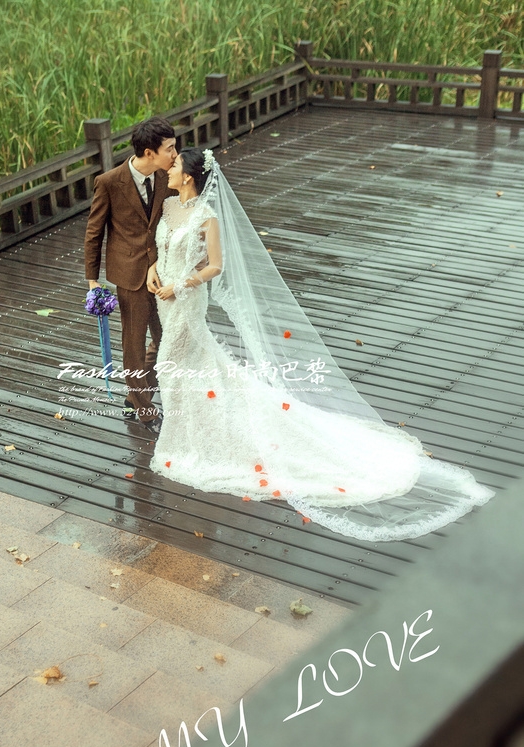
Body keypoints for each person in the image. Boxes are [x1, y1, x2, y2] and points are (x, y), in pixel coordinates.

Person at [146, 147, 494, 542]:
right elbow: (162, 247)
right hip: (164, 298)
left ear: (190, 175)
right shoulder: (169, 206)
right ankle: (189, 430)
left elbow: (215, 266)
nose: (169, 167)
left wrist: (182, 284)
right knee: (185, 366)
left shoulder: (207, 217)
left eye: (175, 164)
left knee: (172, 363)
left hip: (186, 300)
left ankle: (183, 440)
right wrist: (154, 269)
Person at [84, 116, 177, 432]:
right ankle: (145, 410)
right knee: (134, 345)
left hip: (162, 272)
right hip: (129, 275)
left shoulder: (166, 176)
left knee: (166, 339)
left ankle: (135, 394)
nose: (175, 154)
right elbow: (94, 232)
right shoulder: (109, 182)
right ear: (150, 152)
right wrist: (93, 281)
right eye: (169, 148)